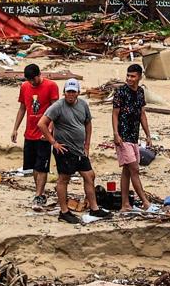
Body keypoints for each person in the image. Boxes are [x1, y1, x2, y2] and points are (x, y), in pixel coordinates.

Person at [41, 79, 106, 222]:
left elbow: (88, 123)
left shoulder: (83, 104)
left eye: (73, 91)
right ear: (64, 92)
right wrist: (54, 142)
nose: (70, 94)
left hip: (79, 149)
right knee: (64, 179)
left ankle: (94, 208)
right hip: (65, 149)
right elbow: (42, 124)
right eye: (68, 91)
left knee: (89, 175)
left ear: (78, 92)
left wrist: (87, 145)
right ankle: (64, 212)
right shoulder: (58, 106)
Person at [9, 63, 59, 208]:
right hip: (29, 131)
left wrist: (49, 129)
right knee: (32, 167)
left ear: (39, 75)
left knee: (42, 166)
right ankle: (39, 192)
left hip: (44, 132)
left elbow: (55, 110)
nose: (32, 82)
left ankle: (39, 194)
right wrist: (15, 128)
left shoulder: (51, 86)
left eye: (34, 79)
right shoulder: (24, 87)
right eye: (29, 80)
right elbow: (22, 108)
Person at [111, 63, 155, 212]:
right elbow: (115, 114)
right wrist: (116, 134)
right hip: (123, 137)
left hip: (134, 136)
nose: (129, 79)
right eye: (128, 76)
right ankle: (145, 202)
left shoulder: (141, 92)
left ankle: (125, 204)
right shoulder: (121, 92)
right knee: (134, 169)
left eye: (133, 76)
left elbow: (142, 114)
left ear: (139, 77)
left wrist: (148, 135)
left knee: (127, 171)